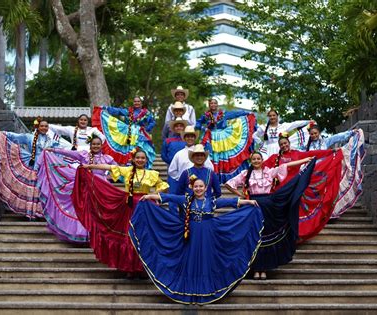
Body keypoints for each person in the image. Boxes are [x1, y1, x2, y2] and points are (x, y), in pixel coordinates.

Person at [129, 178, 264, 304]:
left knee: (206, 258)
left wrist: (248, 202)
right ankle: (189, 289)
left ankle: (206, 289)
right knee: (191, 258)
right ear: (192, 188)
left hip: (208, 234)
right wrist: (149, 196)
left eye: (201, 186)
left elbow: (231, 202)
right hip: (191, 234)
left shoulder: (211, 201)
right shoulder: (186, 199)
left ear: (206, 188)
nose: (198, 188)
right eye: (196, 186)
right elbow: (168, 197)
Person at [72, 148, 168, 274]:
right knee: (128, 235)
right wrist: (89, 165)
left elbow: (164, 186)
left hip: (145, 206)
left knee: (143, 235)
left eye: (143, 158)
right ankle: (129, 267)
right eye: (138, 158)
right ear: (133, 159)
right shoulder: (127, 170)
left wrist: (153, 195)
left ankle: (142, 268)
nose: (140, 160)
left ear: (146, 160)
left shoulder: (152, 174)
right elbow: (108, 167)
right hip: (128, 206)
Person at [225, 152, 315, 280]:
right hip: (253, 206)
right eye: (254, 159)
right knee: (255, 237)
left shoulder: (269, 171)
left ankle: (264, 269)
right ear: (251, 161)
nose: (256, 161)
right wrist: (243, 196)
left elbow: (287, 165)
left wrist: (305, 160)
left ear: (262, 160)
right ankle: (256, 269)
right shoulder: (246, 173)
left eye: (258, 158)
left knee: (267, 236)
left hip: (268, 205)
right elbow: (229, 184)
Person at [37, 135, 116, 243]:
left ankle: (99, 234)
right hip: (86, 186)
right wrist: (53, 150)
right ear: (90, 145)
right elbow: (69, 153)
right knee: (85, 209)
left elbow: (117, 169)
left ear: (101, 145)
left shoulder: (107, 158)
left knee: (99, 210)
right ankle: (85, 233)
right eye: (94, 144)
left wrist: (108, 177)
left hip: (101, 187)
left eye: (98, 144)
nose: (96, 146)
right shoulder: (84, 155)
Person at [0, 118, 66, 218]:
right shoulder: (30, 137)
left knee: (45, 190)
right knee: (33, 190)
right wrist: (3, 134)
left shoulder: (52, 141)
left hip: (47, 168)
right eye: (42, 126)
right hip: (34, 167)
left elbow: (60, 151)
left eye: (46, 126)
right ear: (38, 127)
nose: (44, 128)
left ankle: (43, 213)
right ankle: (31, 213)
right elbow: (16, 137)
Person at [196, 98, 257, 183]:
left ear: (217, 105)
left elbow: (235, 114)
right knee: (214, 156)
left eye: (215, 103)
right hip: (211, 137)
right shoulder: (206, 116)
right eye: (211, 103)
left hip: (223, 138)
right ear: (209, 105)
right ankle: (213, 179)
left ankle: (228, 179)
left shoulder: (223, 114)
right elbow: (197, 123)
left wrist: (247, 113)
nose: (213, 105)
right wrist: (203, 128)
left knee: (224, 156)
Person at [93, 97, 155, 168]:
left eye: (138, 101)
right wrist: (106, 108)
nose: (136, 103)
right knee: (129, 150)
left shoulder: (146, 113)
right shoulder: (128, 111)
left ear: (141, 103)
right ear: (133, 103)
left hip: (140, 133)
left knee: (143, 149)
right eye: (135, 101)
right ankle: (129, 168)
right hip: (128, 133)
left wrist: (147, 128)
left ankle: (144, 168)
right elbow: (118, 111)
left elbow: (152, 122)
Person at [168, 126, 213, 193]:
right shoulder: (179, 154)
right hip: (184, 187)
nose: (190, 138)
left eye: (192, 136)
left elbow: (210, 168)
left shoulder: (201, 152)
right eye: (188, 136)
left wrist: (202, 178)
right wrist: (181, 178)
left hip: (200, 187)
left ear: (195, 138)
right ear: (184, 138)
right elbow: (172, 170)